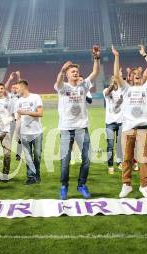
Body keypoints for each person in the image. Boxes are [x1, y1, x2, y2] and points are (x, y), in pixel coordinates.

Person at [54, 45, 100, 200]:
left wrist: (96, 58)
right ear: (67, 74)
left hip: (82, 128)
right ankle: (64, 186)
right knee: (65, 161)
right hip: (66, 129)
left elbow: (95, 73)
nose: (75, 73)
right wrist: (61, 70)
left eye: (76, 71)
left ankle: (81, 185)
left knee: (87, 160)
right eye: (72, 71)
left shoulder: (83, 85)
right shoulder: (63, 87)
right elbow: (58, 81)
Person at [112, 45, 147, 198]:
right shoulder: (126, 89)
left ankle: (144, 186)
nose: (137, 74)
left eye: (139, 73)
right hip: (128, 129)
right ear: (130, 77)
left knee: (144, 159)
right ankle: (126, 185)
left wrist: (145, 54)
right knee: (126, 159)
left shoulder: (146, 88)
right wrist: (116, 56)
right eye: (134, 73)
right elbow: (116, 76)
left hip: (143, 129)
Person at [15, 80, 44, 185]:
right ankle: (31, 177)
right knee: (28, 157)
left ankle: (37, 174)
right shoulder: (18, 102)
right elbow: (18, 118)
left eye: (17, 88)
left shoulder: (36, 97)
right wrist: (17, 134)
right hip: (24, 133)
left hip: (36, 132)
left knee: (37, 156)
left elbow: (40, 113)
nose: (16, 90)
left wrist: (25, 112)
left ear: (23, 87)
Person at [103, 76, 123, 175]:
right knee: (110, 146)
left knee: (120, 144)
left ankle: (119, 162)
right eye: (112, 80)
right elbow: (107, 93)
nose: (114, 81)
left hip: (120, 122)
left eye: (116, 79)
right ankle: (110, 166)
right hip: (110, 123)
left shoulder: (122, 91)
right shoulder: (106, 90)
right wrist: (112, 84)